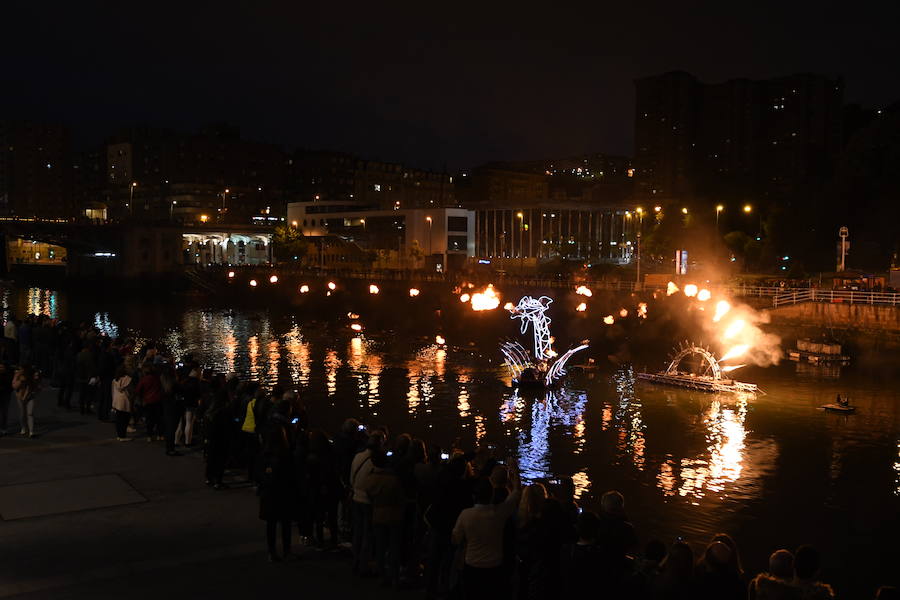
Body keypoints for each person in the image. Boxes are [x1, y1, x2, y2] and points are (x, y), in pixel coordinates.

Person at [452, 467, 521, 600]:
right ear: (492, 495)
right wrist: (515, 471)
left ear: (474, 495)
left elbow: (455, 539)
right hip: (494, 566)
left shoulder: (466, 515)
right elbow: (517, 493)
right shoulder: (500, 513)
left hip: (472, 565)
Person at [360, 447, 407, 589]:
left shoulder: (370, 478)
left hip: (378, 514)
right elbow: (401, 498)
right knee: (394, 547)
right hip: (394, 515)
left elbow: (368, 494)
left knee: (380, 547)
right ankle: (395, 577)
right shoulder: (394, 479)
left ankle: (382, 576)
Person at [258, 398, 295, 562]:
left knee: (271, 522)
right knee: (285, 521)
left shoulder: (266, 455)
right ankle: (287, 551)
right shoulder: (283, 456)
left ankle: (271, 552)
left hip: (268, 489)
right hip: (281, 489)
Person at [350, 433, 382, 576]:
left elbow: (351, 477)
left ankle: (355, 561)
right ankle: (364, 564)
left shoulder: (357, 457)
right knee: (367, 533)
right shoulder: (376, 461)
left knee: (357, 531)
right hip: (368, 501)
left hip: (356, 497)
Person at [135, 365, 163, 441]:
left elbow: (138, 390)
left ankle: (149, 436)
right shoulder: (157, 379)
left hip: (148, 401)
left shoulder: (144, 380)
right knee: (158, 418)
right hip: (157, 400)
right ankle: (159, 435)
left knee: (149, 419)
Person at [12, 365, 39, 438]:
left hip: (30, 397)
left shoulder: (31, 376)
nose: (20, 370)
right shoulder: (17, 375)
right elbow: (14, 386)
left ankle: (31, 431)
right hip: (20, 397)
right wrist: (20, 380)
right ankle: (23, 427)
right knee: (22, 413)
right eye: (19, 369)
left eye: (21, 369)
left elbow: (32, 388)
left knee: (30, 413)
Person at [111, 366, 134, 441]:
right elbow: (130, 390)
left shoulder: (115, 380)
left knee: (118, 419)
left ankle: (119, 435)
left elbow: (113, 391)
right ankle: (123, 436)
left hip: (117, 400)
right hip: (124, 400)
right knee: (125, 419)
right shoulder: (127, 379)